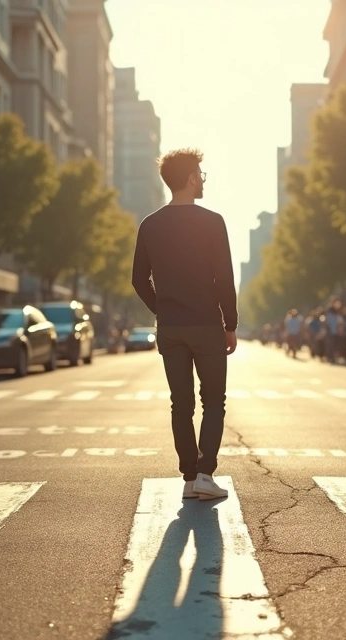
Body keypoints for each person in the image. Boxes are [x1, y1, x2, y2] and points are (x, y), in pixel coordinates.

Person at [131, 148, 236, 501]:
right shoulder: (212, 222)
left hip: (171, 327)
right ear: (191, 178)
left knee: (181, 403)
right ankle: (206, 472)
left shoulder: (150, 224)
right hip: (206, 324)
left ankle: (190, 478)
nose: (202, 180)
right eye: (201, 174)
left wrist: (162, 309)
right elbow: (224, 278)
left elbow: (138, 280)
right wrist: (230, 323)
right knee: (214, 401)